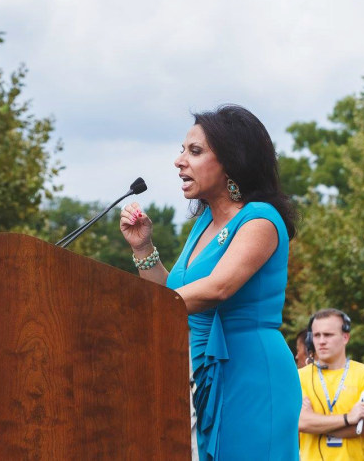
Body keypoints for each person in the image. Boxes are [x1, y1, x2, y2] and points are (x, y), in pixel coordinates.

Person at [120, 104, 301, 460]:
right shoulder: (204, 223)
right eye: (182, 149)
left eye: (195, 151)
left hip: (251, 372)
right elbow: (173, 297)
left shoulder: (260, 219)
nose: (179, 160)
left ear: (232, 161)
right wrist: (143, 247)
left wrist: (132, 311)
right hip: (205, 371)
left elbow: (218, 288)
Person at [298, 308, 364, 460]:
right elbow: (300, 422)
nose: (321, 341)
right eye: (316, 335)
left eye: (328, 335)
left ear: (345, 337)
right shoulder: (299, 377)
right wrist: (348, 418)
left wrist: (315, 423)